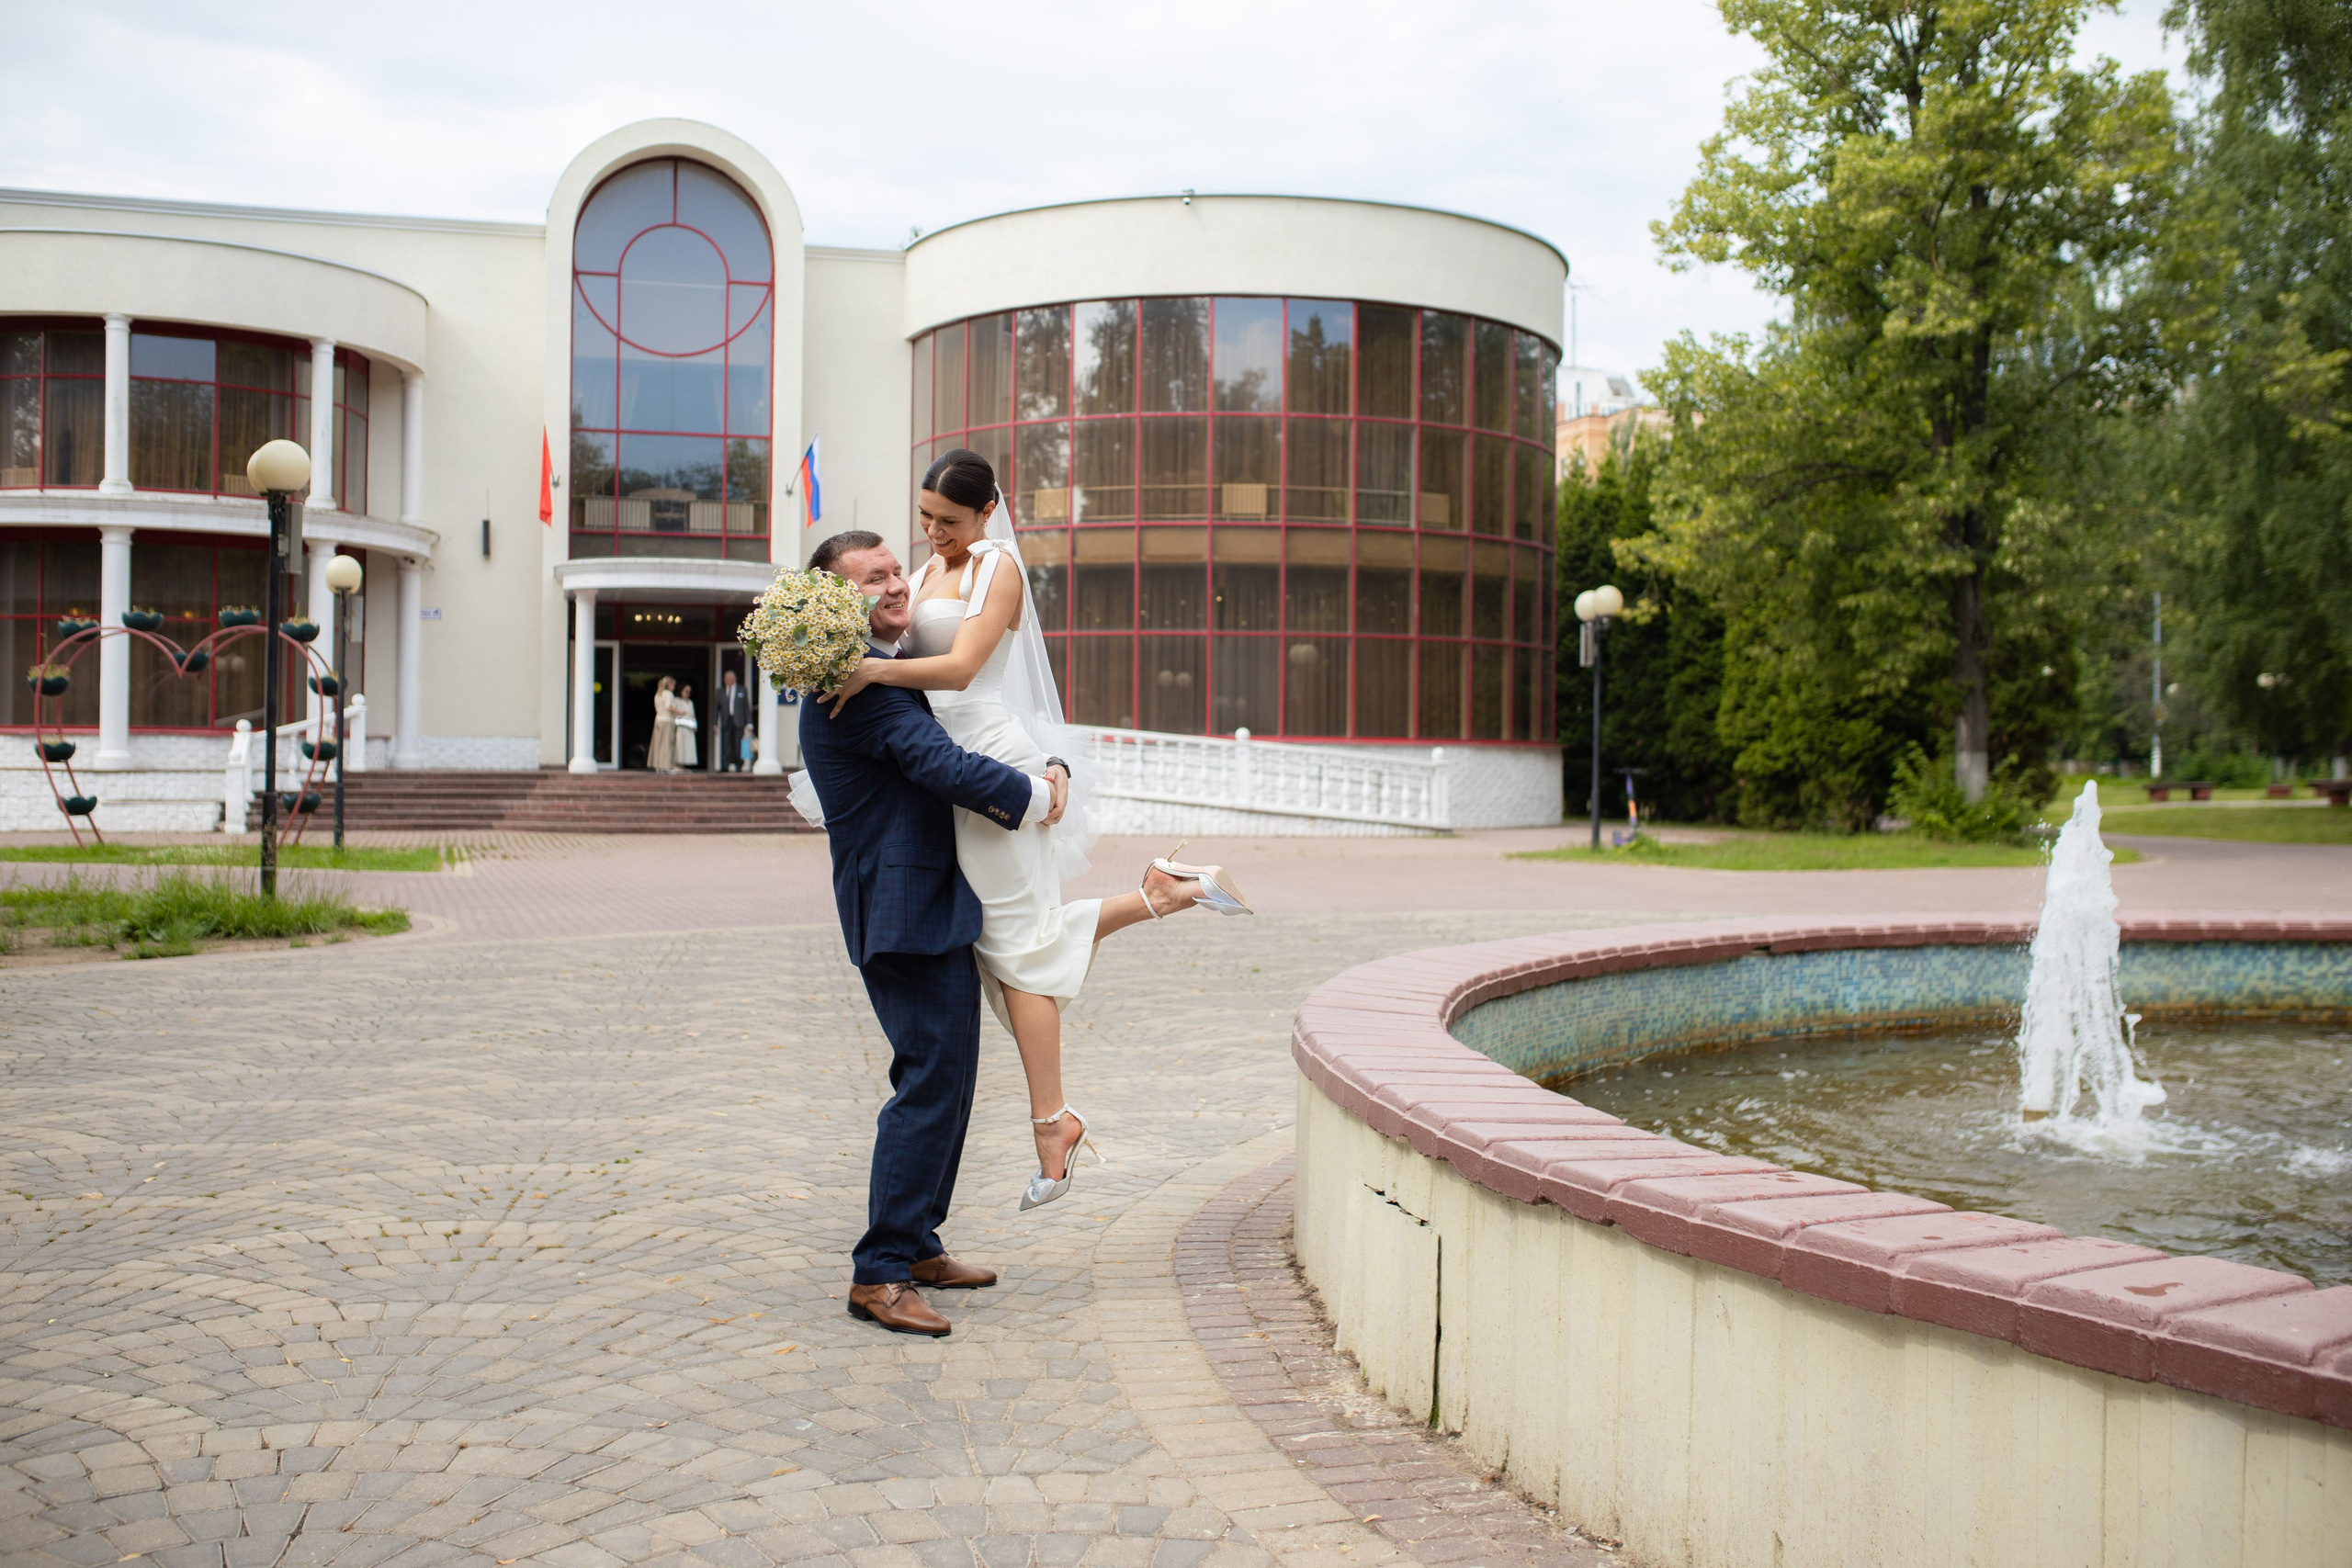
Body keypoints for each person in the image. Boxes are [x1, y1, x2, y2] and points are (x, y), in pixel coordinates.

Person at [821, 448, 1251, 1212]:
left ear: (988, 512)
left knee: (1015, 947)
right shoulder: (918, 578)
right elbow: (890, 643)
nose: (933, 534)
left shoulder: (1001, 571)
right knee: (1006, 939)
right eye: (924, 517)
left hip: (990, 763)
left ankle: (1053, 1124)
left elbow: (958, 669)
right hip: (945, 768)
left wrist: (872, 674)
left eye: (949, 521)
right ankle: (1165, 893)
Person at [797, 526, 1075, 1337]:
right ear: (830, 600)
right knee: (926, 1081)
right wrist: (1038, 793)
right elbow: (943, 766)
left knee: (948, 1078)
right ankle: (879, 1271)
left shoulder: (883, 669)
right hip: (903, 909)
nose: (893, 587)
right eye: (871, 580)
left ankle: (917, 1242)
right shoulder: (858, 688)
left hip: (928, 904)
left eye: (895, 572)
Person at [716, 670, 752, 772]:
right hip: (726, 721)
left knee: (737, 744)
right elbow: (716, 709)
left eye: (728, 679)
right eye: (725, 679)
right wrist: (715, 723)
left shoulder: (742, 690)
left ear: (734, 679)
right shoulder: (720, 691)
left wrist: (749, 723)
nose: (726, 681)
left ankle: (738, 765)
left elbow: (746, 707)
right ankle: (724, 765)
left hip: (739, 721)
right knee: (725, 744)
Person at [647, 676, 679, 773]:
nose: (674, 686)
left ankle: (658, 765)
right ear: (669, 685)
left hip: (658, 720)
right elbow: (668, 707)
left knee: (658, 743)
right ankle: (666, 766)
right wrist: (680, 712)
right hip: (667, 720)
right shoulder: (668, 694)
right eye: (673, 684)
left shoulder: (658, 694)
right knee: (667, 743)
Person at [675, 682, 699, 770]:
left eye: (689, 692)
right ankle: (678, 763)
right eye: (686, 691)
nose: (688, 693)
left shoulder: (690, 702)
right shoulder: (677, 700)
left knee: (688, 745)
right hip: (681, 727)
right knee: (680, 744)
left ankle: (684, 764)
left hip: (689, 727)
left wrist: (695, 725)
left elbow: (693, 715)